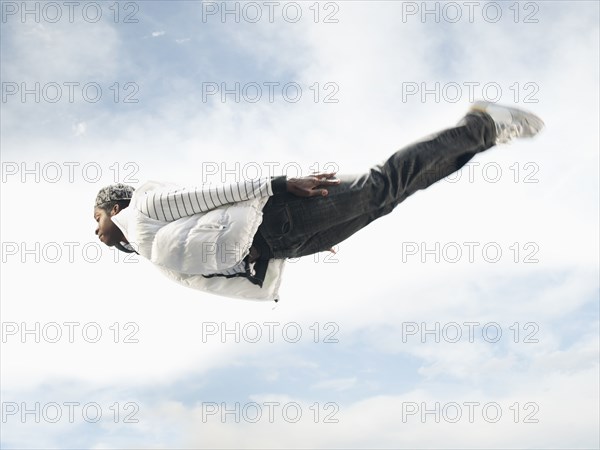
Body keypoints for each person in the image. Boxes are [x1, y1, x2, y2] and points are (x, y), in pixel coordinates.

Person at [93, 100, 544, 302]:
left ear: (115, 208)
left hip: (277, 215)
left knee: (379, 185)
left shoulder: (145, 209)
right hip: (287, 243)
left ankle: (479, 127)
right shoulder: (154, 251)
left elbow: (209, 194)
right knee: (385, 200)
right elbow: (219, 264)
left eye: (96, 219)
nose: (96, 232)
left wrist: (281, 184)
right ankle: (483, 138)